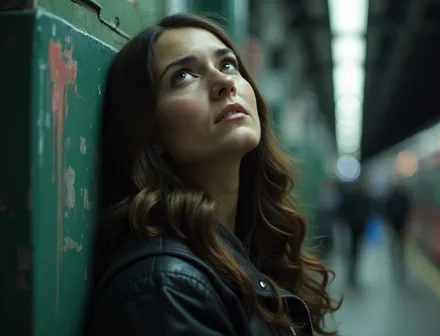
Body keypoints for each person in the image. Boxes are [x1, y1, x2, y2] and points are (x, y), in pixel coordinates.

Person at [82, 14, 341, 336]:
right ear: (150, 133)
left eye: (228, 64)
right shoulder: (164, 288)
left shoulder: (247, 240)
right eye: (184, 76)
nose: (224, 82)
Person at [337, 178, 371, 288]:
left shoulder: (349, 195)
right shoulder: (365, 196)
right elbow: (369, 210)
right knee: (356, 250)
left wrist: (345, 221)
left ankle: (351, 274)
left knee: (352, 249)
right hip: (360, 226)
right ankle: (353, 273)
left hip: (352, 226)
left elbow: (342, 210)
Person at [384, 180, 412, 284]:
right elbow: (408, 208)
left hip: (396, 222)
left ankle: (396, 252)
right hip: (398, 223)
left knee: (397, 240)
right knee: (399, 240)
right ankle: (398, 252)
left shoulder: (392, 197)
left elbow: (387, 208)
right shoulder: (404, 197)